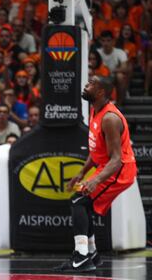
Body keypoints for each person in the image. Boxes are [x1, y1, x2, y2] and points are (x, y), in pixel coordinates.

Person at [56, 76, 137, 273]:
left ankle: (83, 256)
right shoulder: (95, 109)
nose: (86, 85)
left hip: (119, 170)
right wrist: (82, 173)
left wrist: (96, 179)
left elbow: (116, 159)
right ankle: (90, 254)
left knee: (78, 201)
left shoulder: (110, 118)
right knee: (81, 203)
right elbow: (96, 151)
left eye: (91, 84)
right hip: (108, 167)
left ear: (101, 92)